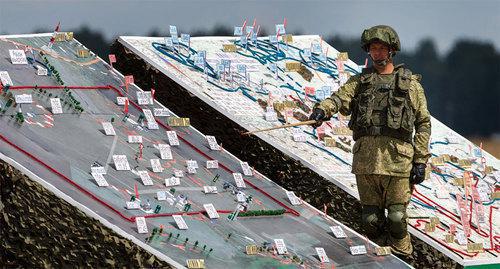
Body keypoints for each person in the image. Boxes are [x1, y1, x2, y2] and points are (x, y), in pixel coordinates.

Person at [309, 25, 431, 256]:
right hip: (366, 161)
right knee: (371, 219)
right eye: (373, 49)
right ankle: (384, 257)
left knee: (396, 218)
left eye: (382, 48)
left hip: (398, 162)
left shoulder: (411, 86)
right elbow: (338, 99)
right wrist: (321, 111)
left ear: (391, 50)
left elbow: (423, 123)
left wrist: (421, 160)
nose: (377, 53)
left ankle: (404, 256)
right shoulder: (360, 82)